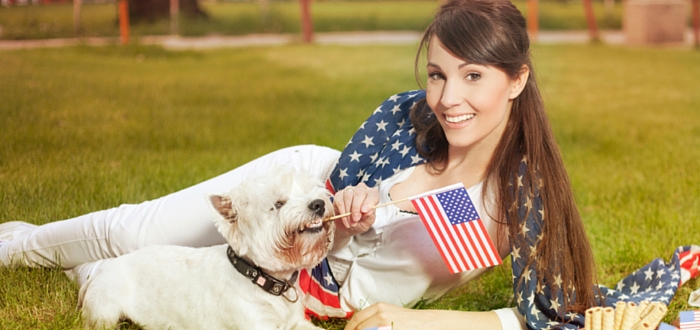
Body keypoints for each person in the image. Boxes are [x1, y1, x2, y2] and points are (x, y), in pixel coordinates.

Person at [1, 0, 698, 329]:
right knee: (133, 233)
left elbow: (536, 314)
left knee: (141, 262)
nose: (448, 100)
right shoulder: (409, 118)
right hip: (295, 191)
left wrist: (413, 317)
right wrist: (345, 202)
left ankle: (90, 273)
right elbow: (322, 201)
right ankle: (21, 246)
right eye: (438, 75)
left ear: (517, 80)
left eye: (474, 78)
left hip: (309, 290)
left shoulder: (516, 198)